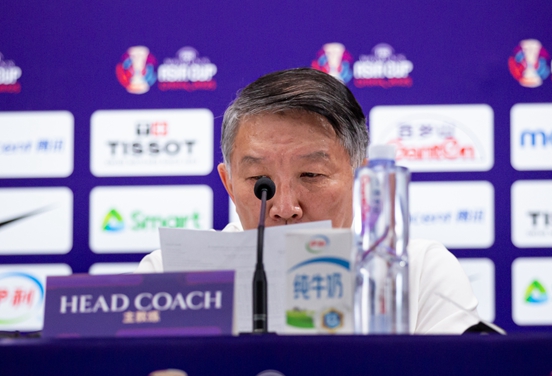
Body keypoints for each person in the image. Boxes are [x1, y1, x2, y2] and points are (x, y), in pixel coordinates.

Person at [136, 67, 480, 334]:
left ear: (361, 179)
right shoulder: (171, 277)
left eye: (311, 175)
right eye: (260, 180)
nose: (285, 208)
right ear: (228, 183)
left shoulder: (419, 272)